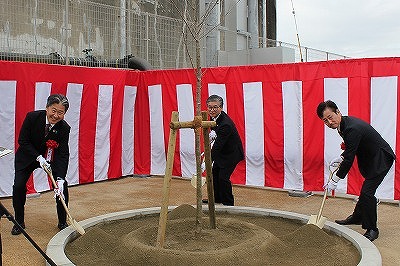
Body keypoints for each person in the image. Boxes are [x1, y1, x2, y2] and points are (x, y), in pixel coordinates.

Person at [316, 100, 395, 241]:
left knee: (367, 193)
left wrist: (335, 180)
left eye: (330, 117)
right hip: (371, 157)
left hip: (381, 158)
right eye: (325, 120)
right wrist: (341, 157)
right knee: (365, 192)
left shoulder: (352, 128)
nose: (329, 122)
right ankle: (358, 217)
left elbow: (350, 158)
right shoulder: (343, 125)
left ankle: (372, 229)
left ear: (338, 112)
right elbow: (352, 147)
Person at [11, 94, 71, 235]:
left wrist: (61, 178)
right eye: (53, 110)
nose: (55, 115)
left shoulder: (64, 128)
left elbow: (63, 153)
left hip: (50, 159)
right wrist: (38, 157)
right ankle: (19, 222)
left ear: (64, 113)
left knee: (62, 187)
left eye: (60, 112)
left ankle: (62, 221)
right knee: (19, 186)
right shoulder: (32, 117)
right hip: (27, 156)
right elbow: (23, 141)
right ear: (47, 108)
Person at [203, 95, 244, 206]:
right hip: (222, 152)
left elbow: (218, 146)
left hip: (231, 154)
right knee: (214, 174)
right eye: (210, 107)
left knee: (223, 177)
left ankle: (228, 203)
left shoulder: (226, 124)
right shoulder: (214, 117)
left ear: (221, 107)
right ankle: (217, 198)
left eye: (215, 107)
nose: (212, 110)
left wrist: (207, 160)